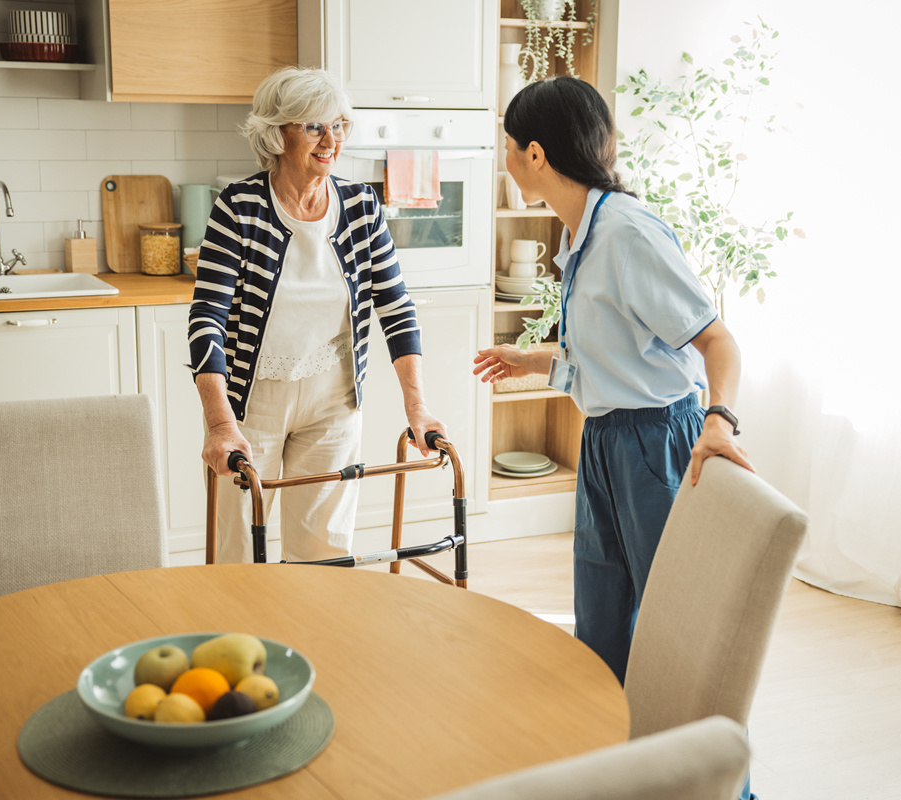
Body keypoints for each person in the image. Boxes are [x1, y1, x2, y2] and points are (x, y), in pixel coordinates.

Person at [473, 75, 758, 798]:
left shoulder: (627, 232)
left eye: (509, 145)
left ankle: (724, 786)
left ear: (535, 153)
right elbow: (620, 349)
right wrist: (536, 358)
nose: (506, 156)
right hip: (606, 442)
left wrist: (718, 420)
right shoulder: (582, 231)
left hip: (656, 444)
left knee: (675, 635)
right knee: (601, 623)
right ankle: (614, 769)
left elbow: (717, 343)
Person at [190, 66, 446, 565]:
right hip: (252, 401)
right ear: (277, 132)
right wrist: (220, 423)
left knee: (325, 552)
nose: (332, 140)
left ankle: (314, 642)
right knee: (241, 548)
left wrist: (416, 406)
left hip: (333, 400)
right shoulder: (238, 206)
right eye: (313, 126)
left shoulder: (360, 204)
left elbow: (395, 305)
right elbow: (208, 319)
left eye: (339, 124)